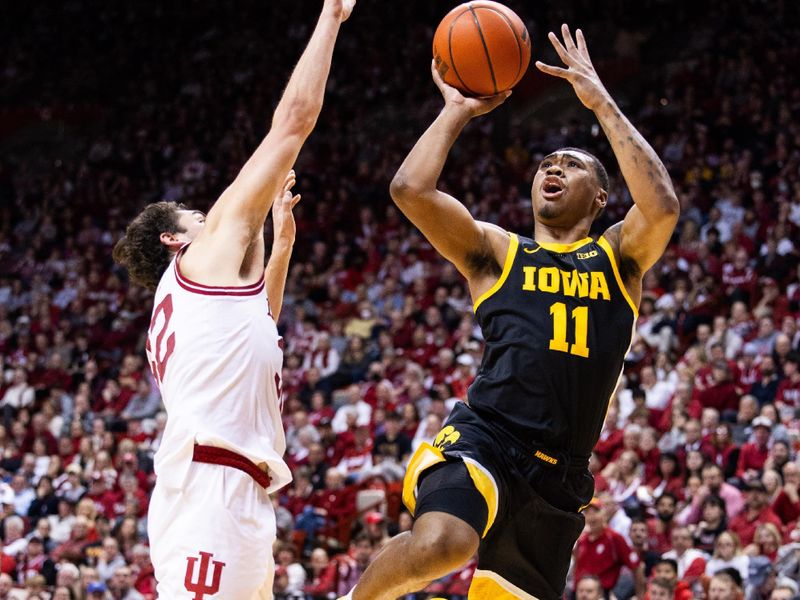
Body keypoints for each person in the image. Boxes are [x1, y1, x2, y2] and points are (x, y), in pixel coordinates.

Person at [343, 24, 679, 600]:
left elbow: (663, 205)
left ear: (601, 198)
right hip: (488, 435)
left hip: (559, 476)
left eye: (570, 166)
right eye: (546, 162)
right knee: (441, 544)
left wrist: (600, 102)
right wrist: (456, 111)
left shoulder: (619, 257)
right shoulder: (499, 252)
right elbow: (411, 190)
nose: (552, 169)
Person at [111, 0, 357, 596]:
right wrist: (330, 17)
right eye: (198, 216)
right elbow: (291, 125)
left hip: (235, 491)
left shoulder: (201, 303)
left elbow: (258, 326)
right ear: (175, 239)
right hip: (210, 489)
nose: (214, 217)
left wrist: (282, 245)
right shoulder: (198, 261)